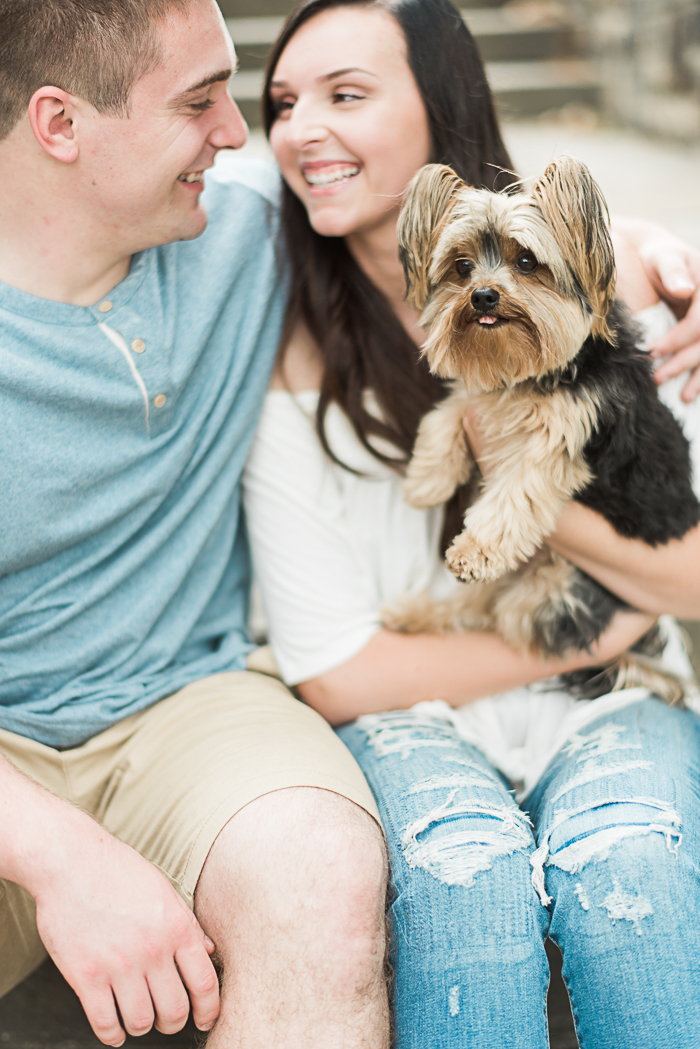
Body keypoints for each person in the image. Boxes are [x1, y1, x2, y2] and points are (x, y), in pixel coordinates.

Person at [242, 0, 700, 1045]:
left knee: (632, 864)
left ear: (438, 106)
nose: (300, 127)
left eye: (345, 95)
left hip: (617, 693)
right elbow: (337, 670)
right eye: (280, 103)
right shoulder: (281, 349)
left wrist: (580, 578)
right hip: (415, 707)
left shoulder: (620, 286)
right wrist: (596, 627)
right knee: (464, 875)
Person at [0, 2, 391, 1047]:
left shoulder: (243, 225)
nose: (237, 131)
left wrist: (647, 257)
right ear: (59, 122)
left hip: (190, 701)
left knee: (317, 871)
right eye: (198, 101)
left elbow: (457, 208)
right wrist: (57, 853)